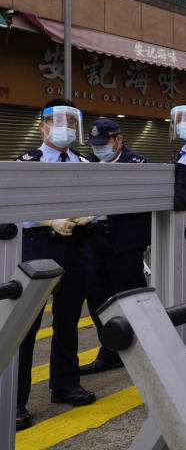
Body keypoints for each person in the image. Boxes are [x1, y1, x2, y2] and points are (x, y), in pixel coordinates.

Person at [14, 99, 96, 430]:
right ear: (42, 126)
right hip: (38, 244)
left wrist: (90, 215)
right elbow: (14, 205)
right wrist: (47, 218)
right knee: (27, 324)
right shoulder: (26, 162)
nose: (66, 128)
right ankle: (15, 400)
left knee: (69, 318)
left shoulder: (84, 162)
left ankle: (64, 384)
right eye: (58, 121)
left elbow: (99, 200)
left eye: (71, 122)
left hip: (76, 245)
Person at [79, 118, 150, 375]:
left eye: (104, 143)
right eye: (95, 144)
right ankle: (110, 350)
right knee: (98, 301)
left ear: (119, 139)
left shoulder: (138, 164)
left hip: (125, 242)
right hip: (93, 241)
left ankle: (144, 350)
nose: (99, 149)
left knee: (132, 299)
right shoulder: (84, 163)